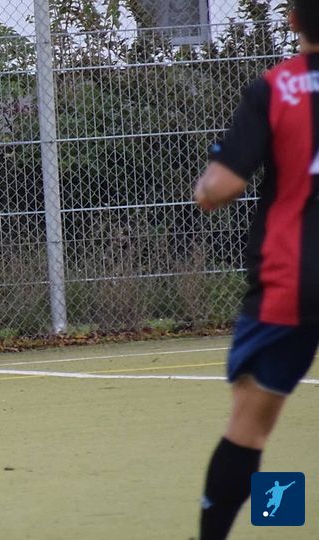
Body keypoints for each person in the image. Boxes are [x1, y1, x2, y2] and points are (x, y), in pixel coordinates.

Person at [193, 1, 319, 538]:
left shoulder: (276, 89)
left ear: (292, 19)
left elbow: (221, 187)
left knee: (252, 425)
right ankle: (285, 516)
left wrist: (205, 187)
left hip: (295, 278)